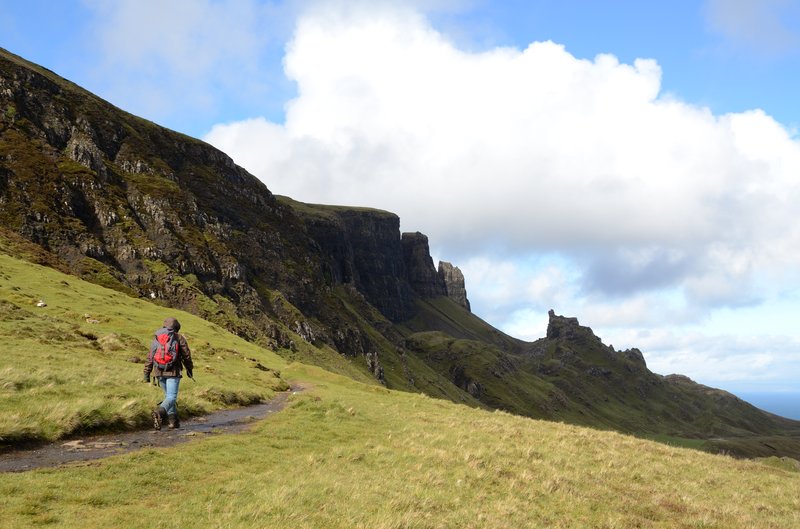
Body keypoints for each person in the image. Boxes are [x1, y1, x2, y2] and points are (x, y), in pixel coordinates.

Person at [143, 317, 193, 430]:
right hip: (173, 371)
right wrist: (189, 369)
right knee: (171, 397)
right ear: (176, 327)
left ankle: (173, 422)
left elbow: (150, 356)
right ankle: (160, 412)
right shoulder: (178, 337)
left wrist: (147, 373)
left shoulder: (157, 337)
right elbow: (186, 355)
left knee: (168, 397)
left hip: (159, 371)